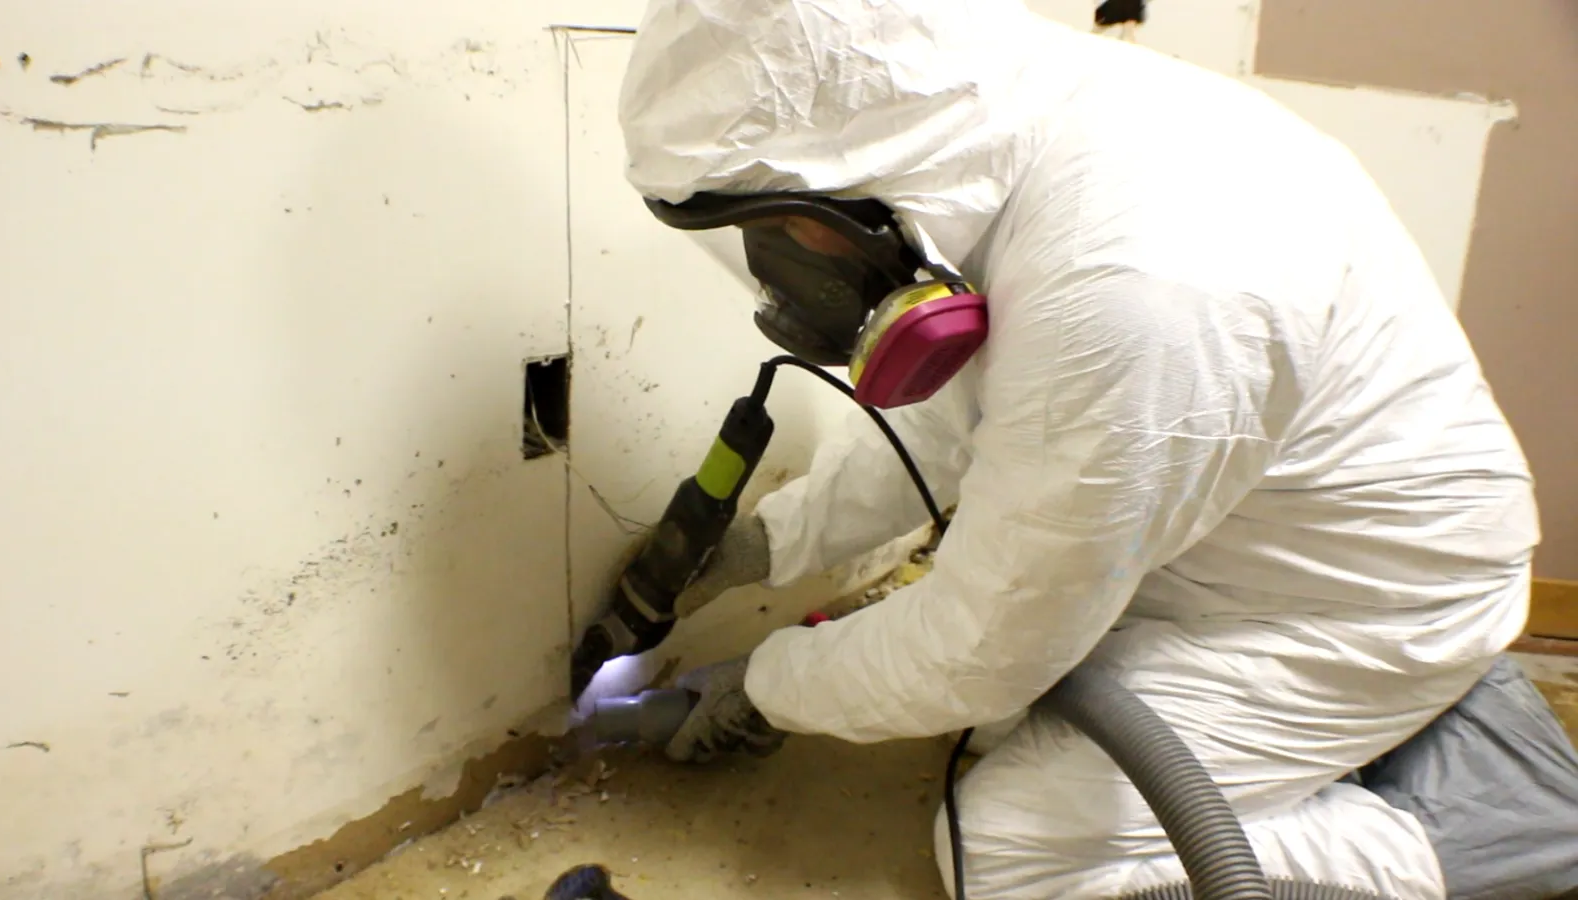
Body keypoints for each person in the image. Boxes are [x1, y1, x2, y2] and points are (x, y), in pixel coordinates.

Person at [611, 1, 1552, 898]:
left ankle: (1487, 815)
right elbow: (966, 420)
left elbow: (984, 649)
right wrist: (771, 544)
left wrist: (769, 684)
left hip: (1361, 606)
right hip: (1258, 545)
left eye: (771, 230)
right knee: (997, 717)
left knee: (1009, 850)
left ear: (843, 162)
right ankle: (1396, 731)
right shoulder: (999, 139)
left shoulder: (1137, 276)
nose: (777, 270)